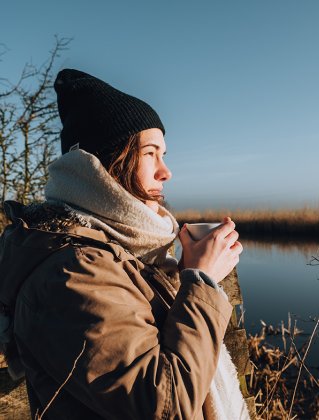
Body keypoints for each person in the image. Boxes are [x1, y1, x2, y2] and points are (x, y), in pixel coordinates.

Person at [0, 69, 250, 419]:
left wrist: (184, 277)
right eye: (150, 153)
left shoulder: (120, 253)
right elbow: (165, 405)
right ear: (102, 165)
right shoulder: (71, 272)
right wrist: (202, 282)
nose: (166, 172)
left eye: (164, 154)